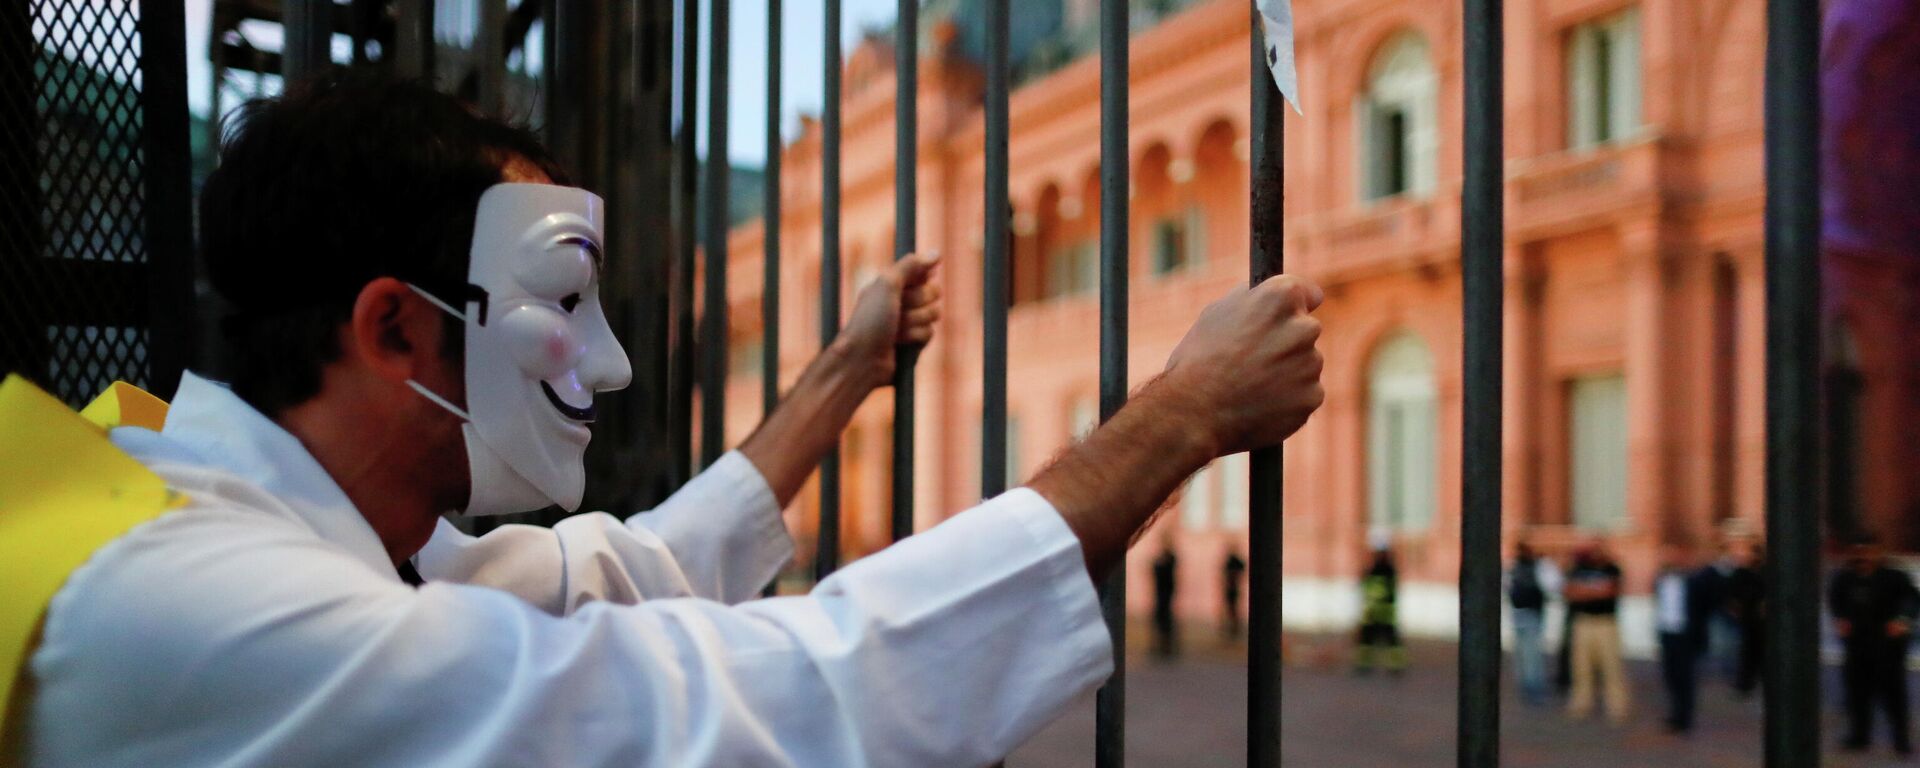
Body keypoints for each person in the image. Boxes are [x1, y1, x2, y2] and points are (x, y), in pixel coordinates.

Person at [9, 75, 1329, 766]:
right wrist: (1187, 412)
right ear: (395, 328)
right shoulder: (206, 605)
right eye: (563, 299)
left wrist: (845, 373)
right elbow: (769, 700)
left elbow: (622, 572)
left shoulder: (305, 529)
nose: (613, 364)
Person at [1830, 538, 1919, 755]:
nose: (1864, 557)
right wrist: (1840, 619)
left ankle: (1900, 740)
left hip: (1887, 645)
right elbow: (1836, 600)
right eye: (1859, 551)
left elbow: (1912, 599)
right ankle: (1859, 736)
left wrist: (1902, 620)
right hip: (1857, 643)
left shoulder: (1894, 576)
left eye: (1868, 551)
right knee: (1857, 692)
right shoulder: (1845, 577)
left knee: (1892, 693)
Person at [1565, 542, 1630, 724]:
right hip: (1584, 621)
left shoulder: (1612, 569)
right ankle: (1581, 702)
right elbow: (1570, 591)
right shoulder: (1579, 569)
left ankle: (1617, 705)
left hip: (1605, 622)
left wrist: (1585, 591)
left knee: (1611, 664)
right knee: (1581, 665)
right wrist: (1595, 591)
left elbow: (1610, 591)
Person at [1653, 544, 1713, 734]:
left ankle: (1685, 717)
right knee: (1671, 675)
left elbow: (1705, 605)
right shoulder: (1661, 579)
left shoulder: (1695, 580)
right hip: (1667, 632)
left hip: (1685, 634)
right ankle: (1675, 713)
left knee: (1685, 676)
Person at [1508, 540, 1562, 706]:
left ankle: (1534, 688)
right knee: (1522, 653)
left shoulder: (1539, 566)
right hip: (1519, 613)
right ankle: (1526, 686)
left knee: (1531, 653)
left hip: (1532, 613)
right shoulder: (1515, 566)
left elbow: (1553, 585)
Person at [1354, 543, 1405, 676]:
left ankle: (1390, 666)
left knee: (1373, 641)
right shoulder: (1388, 571)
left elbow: (1372, 589)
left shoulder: (1381, 571)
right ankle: (1371, 665)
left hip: (1378, 614)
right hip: (1381, 614)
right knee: (1372, 642)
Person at [1727, 539, 1767, 697]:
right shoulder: (1743, 572)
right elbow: (1733, 592)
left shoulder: (1764, 571)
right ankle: (1745, 683)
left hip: (1759, 620)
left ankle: (1751, 682)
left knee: (1758, 652)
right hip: (1749, 618)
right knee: (1748, 652)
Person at [1151, 543, 1180, 658]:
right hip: (1161, 595)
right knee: (1160, 621)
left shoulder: (1170, 560)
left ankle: (1167, 647)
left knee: (1166, 622)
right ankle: (1162, 646)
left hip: (1166, 595)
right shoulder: (1164, 561)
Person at [1223, 548, 1247, 639]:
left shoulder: (1232, 563)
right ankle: (1233, 628)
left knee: (1233, 610)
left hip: (1233, 588)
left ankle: (1234, 628)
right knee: (1232, 610)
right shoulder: (1234, 563)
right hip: (1233, 588)